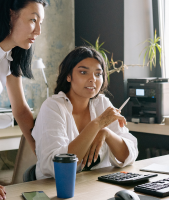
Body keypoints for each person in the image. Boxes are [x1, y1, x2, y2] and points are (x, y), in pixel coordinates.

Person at [32, 46, 138, 180]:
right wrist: (97, 124)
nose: (93, 79)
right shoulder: (53, 107)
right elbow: (56, 166)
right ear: (68, 76)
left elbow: (130, 155)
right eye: (83, 72)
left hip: (95, 187)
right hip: (56, 188)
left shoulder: (102, 103)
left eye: (98, 74)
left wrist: (106, 133)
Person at [0, 0, 47, 199]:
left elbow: (20, 110)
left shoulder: (9, 58)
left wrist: (45, 155)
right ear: (11, 15)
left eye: (41, 23)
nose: (38, 31)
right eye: (33, 20)